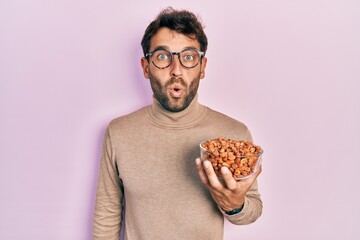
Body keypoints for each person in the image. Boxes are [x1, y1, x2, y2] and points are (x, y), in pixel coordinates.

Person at [93, 7, 262, 240]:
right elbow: (107, 214)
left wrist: (235, 205)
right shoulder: (118, 132)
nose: (176, 70)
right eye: (163, 57)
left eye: (189, 57)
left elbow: (251, 211)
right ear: (145, 67)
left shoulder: (233, 134)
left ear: (202, 68)